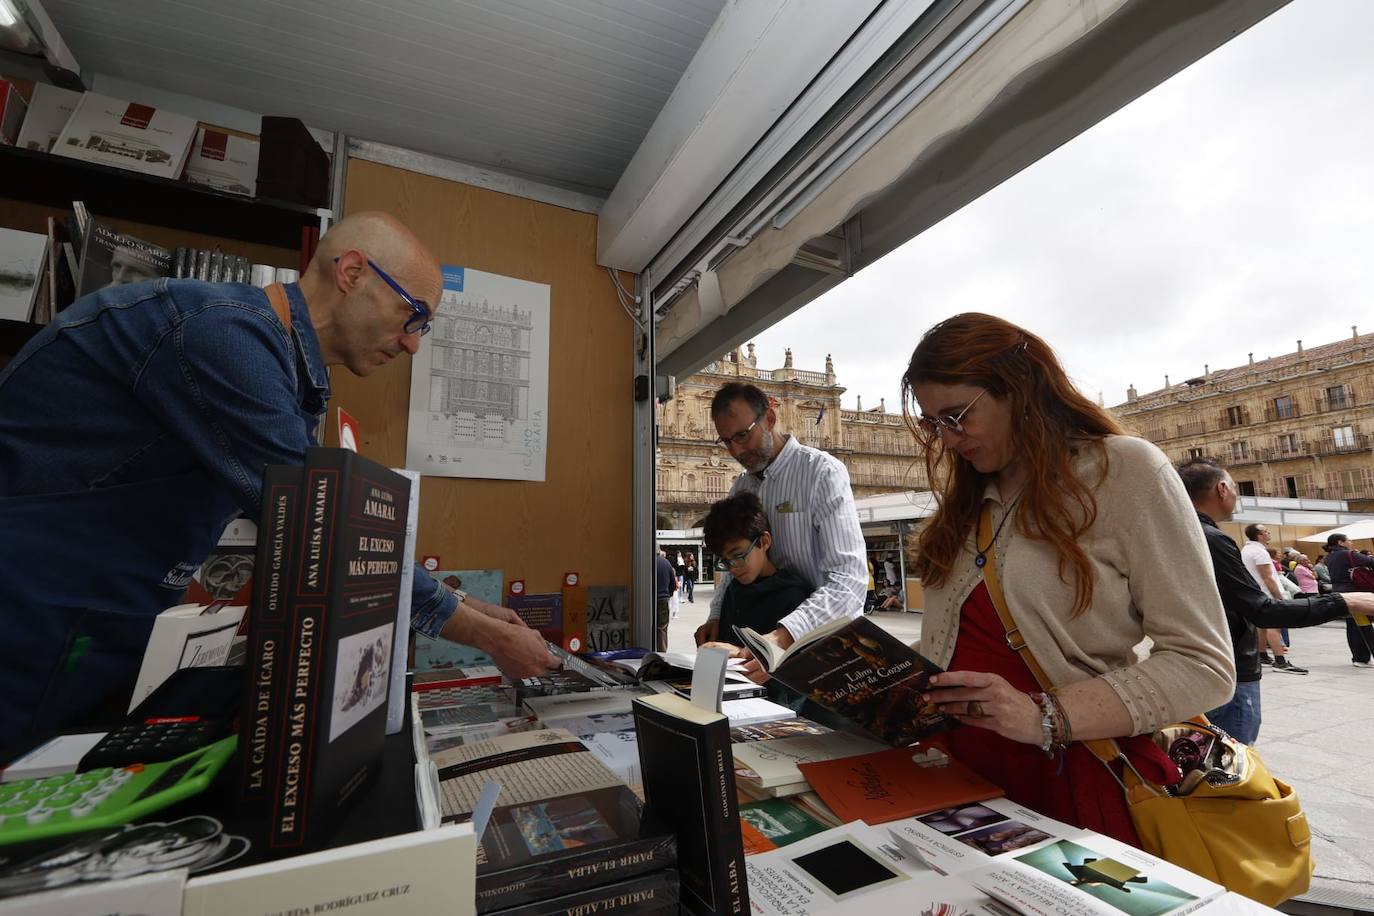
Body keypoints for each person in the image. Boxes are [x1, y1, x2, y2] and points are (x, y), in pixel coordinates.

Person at [0, 211, 557, 744]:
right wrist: (481, 633)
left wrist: (462, 603)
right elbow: (323, 524)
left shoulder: (276, 363)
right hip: (34, 607)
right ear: (352, 272)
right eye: (413, 315)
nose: (413, 342)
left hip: (91, 614)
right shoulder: (224, 334)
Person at [901, 313, 1235, 845]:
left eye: (957, 416)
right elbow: (972, 634)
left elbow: (1204, 665)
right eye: (933, 423)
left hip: (1069, 775)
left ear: (1019, 388)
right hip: (955, 774)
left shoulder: (1124, 471)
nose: (947, 437)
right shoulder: (968, 497)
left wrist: (1046, 715)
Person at [1178, 458, 1366, 744]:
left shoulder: (1175, 534)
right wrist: (1343, 602)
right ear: (1222, 489)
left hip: (1193, 664)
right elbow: (1261, 609)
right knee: (1231, 758)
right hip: (1227, 667)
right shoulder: (1211, 539)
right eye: (1235, 487)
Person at [694, 382, 867, 675]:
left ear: (770, 419)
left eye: (742, 435)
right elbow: (734, 558)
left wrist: (783, 637)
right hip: (763, 644)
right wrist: (715, 616)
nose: (735, 450)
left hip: (822, 649)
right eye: (726, 441)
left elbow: (849, 579)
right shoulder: (742, 487)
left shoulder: (821, 472)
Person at [1239, 525, 1305, 672]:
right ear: (1260, 535)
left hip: (1256, 593)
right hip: (1267, 593)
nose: (1269, 533)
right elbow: (1268, 578)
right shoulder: (1259, 552)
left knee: (1262, 626)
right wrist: (1278, 598)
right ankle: (1280, 661)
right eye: (1266, 531)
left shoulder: (1246, 550)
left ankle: (1262, 655)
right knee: (1274, 626)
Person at [1324, 533, 1374, 666]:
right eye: (1349, 540)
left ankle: (1359, 657)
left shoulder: (1329, 556)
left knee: (1352, 626)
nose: (1351, 542)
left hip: (1339, 593)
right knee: (1362, 626)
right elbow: (1370, 562)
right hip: (1354, 593)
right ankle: (1361, 658)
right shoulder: (1347, 554)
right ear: (1340, 542)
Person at [654, 548, 678, 652]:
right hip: (662, 599)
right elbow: (673, 584)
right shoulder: (666, 563)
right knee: (661, 628)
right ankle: (662, 653)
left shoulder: (646, 562)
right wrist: (668, 594)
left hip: (647, 600)